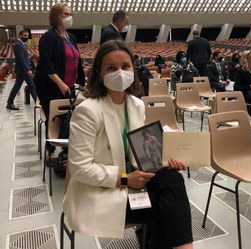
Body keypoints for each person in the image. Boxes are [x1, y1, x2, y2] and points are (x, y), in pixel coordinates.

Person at [63, 40, 193, 249]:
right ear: (99, 72)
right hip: (102, 189)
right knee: (165, 207)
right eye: (111, 68)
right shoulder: (87, 111)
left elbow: (141, 151)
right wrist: (125, 180)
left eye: (125, 67)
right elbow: (80, 169)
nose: (120, 73)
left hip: (136, 174)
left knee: (173, 180)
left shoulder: (137, 104)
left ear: (133, 68)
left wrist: (165, 161)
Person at [34, 2, 85, 155]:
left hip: (68, 85)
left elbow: (77, 61)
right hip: (50, 86)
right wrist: (61, 84)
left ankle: (65, 151)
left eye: (70, 14)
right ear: (56, 16)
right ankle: (50, 152)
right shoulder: (49, 37)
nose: (69, 17)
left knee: (68, 118)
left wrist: (81, 82)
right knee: (54, 119)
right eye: (66, 14)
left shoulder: (71, 37)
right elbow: (46, 64)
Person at [6, 30, 37, 110]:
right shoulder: (18, 45)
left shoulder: (23, 45)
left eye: (27, 36)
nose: (26, 37)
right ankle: (9, 103)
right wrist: (27, 70)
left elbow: (25, 58)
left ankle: (37, 102)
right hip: (22, 71)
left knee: (32, 86)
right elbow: (21, 59)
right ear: (20, 36)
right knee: (17, 87)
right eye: (24, 35)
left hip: (25, 70)